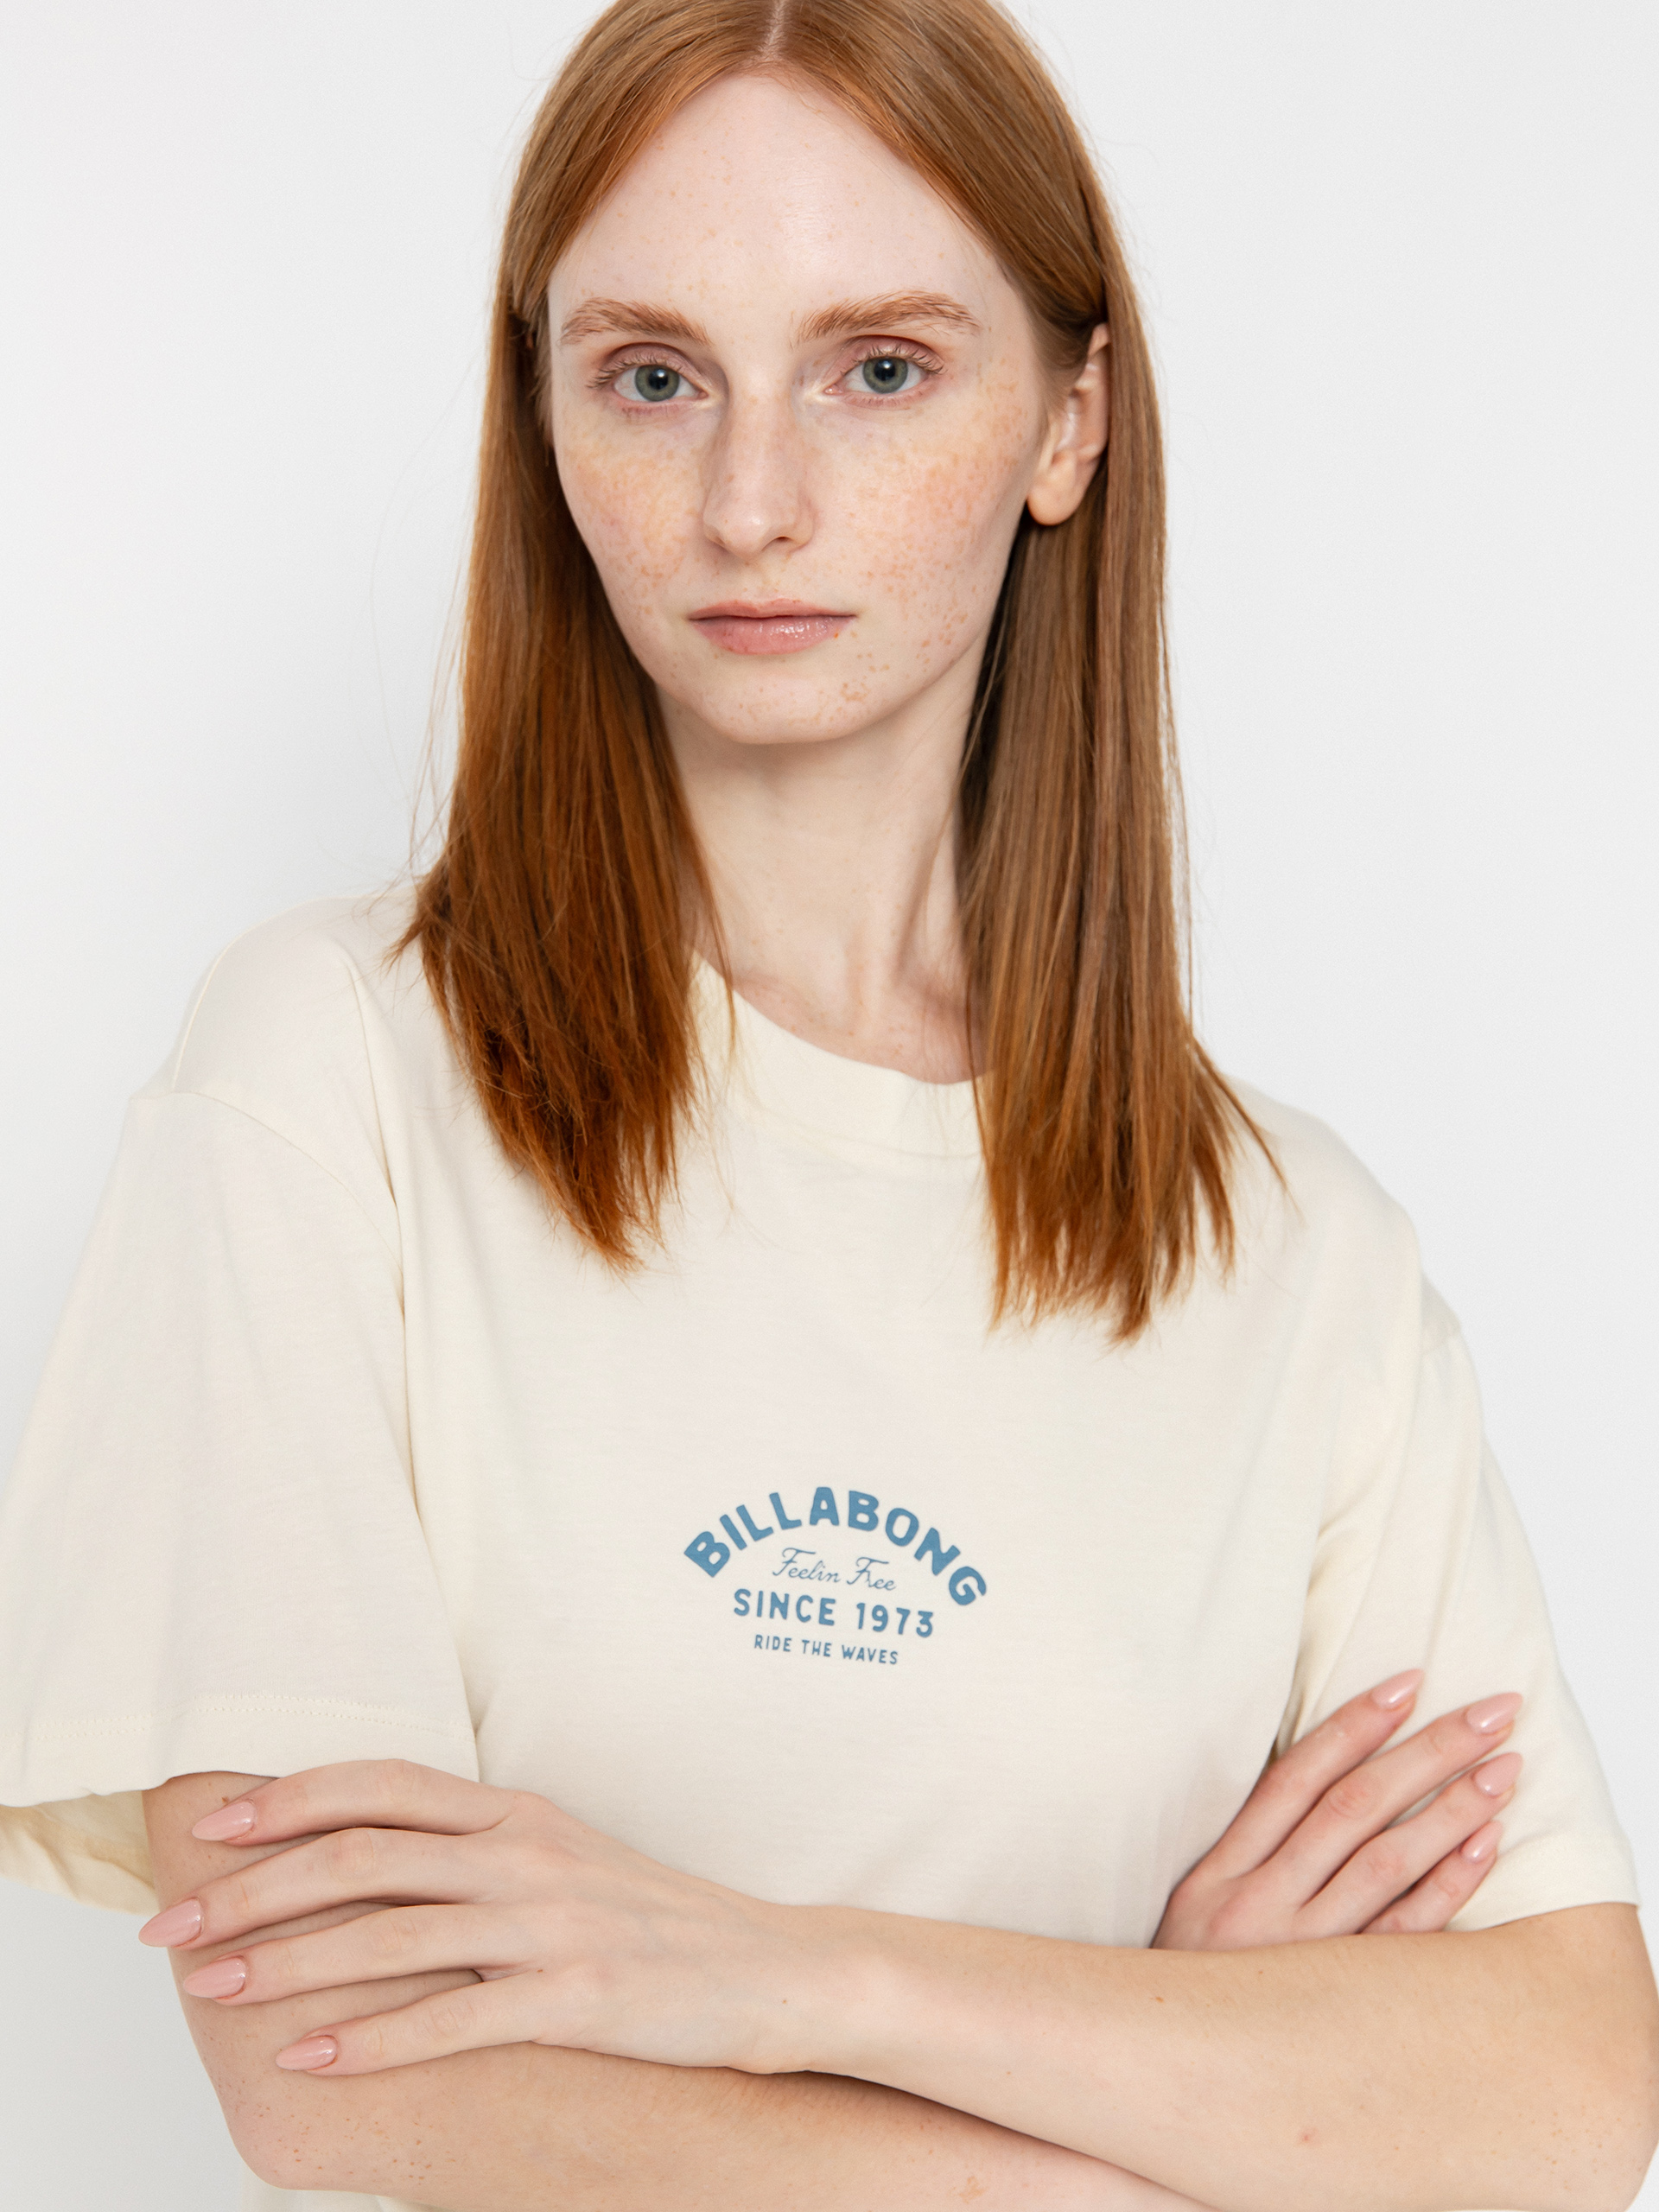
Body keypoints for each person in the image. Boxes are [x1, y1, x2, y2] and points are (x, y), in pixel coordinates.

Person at [0, 1, 1653, 2207]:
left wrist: (784, 1974)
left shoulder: (1288, 1246)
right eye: (652, 375)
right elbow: (338, 2065)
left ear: (1069, 421)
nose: (752, 501)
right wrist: (1180, 2075)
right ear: (544, 416)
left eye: (879, 368)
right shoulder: (328, 1080)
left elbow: (1567, 2079)